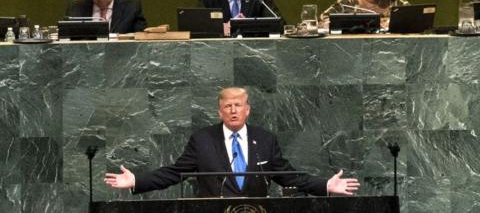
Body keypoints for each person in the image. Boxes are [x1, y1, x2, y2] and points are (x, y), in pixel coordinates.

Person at [104, 87, 360, 197]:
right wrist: (136, 181)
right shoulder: (203, 140)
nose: (234, 111)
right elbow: (174, 173)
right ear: (220, 112)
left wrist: (325, 184)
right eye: (228, 106)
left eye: (238, 105)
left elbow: (289, 176)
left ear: (248, 110)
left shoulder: (265, 139)